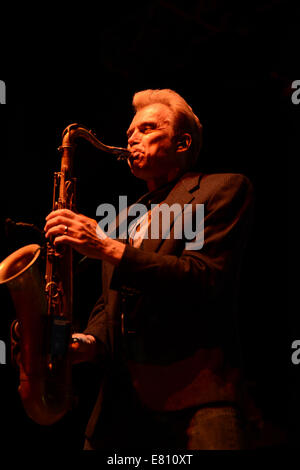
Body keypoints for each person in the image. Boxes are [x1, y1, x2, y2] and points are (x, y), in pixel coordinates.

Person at [44, 88, 254, 450]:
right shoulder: (129, 214)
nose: (131, 139)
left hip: (196, 401)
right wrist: (90, 341)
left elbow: (203, 277)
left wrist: (104, 245)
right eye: (130, 133)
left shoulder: (225, 187)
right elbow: (112, 303)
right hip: (117, 410)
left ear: (182, 142)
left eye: (146, 129)